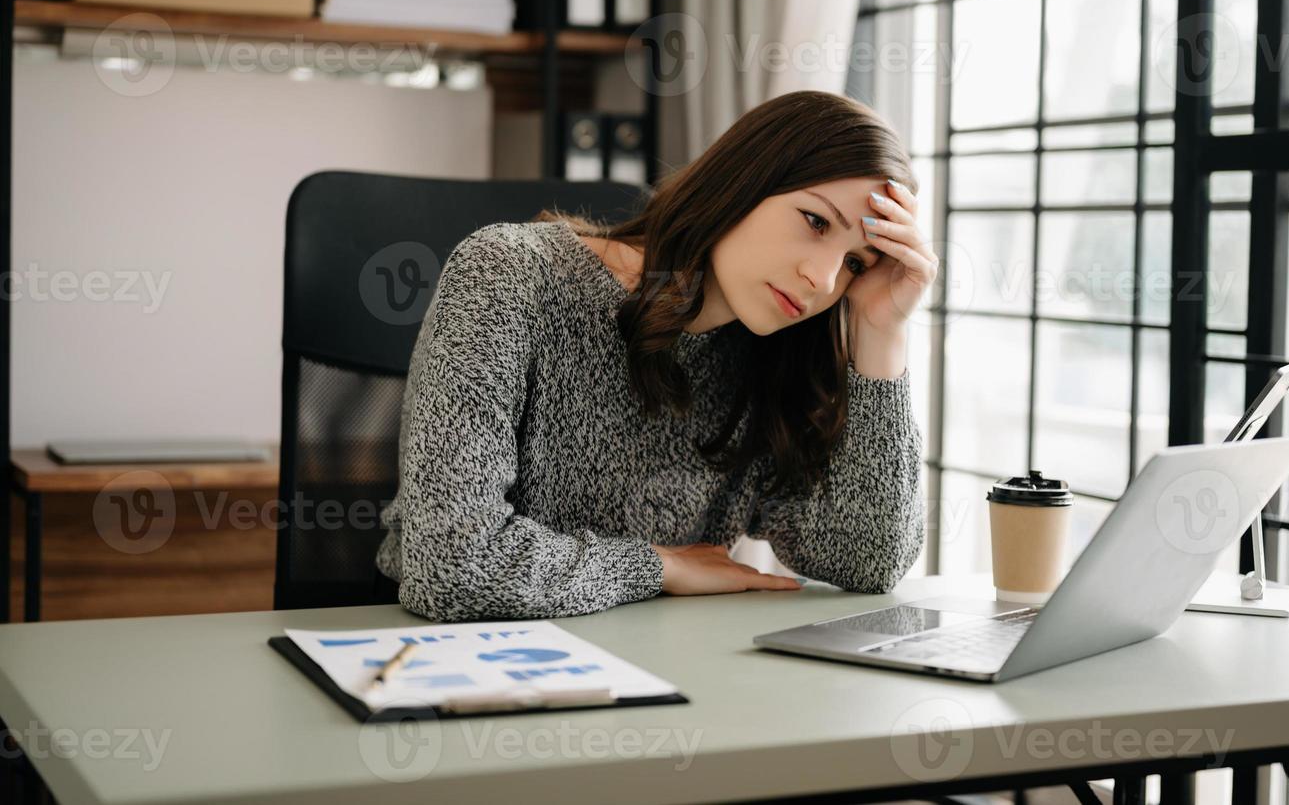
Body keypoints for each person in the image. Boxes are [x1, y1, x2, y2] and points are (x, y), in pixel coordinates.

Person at [374, 89, 938, 621]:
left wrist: (880, 327)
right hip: (462, 663)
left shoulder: (774, 354)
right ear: (745, 179)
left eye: (856, 264)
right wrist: (658, 566)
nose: (822, 278)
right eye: (815, 221)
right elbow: (450, 567)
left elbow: (869, 562)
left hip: (664, 672)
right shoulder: (510, 272)